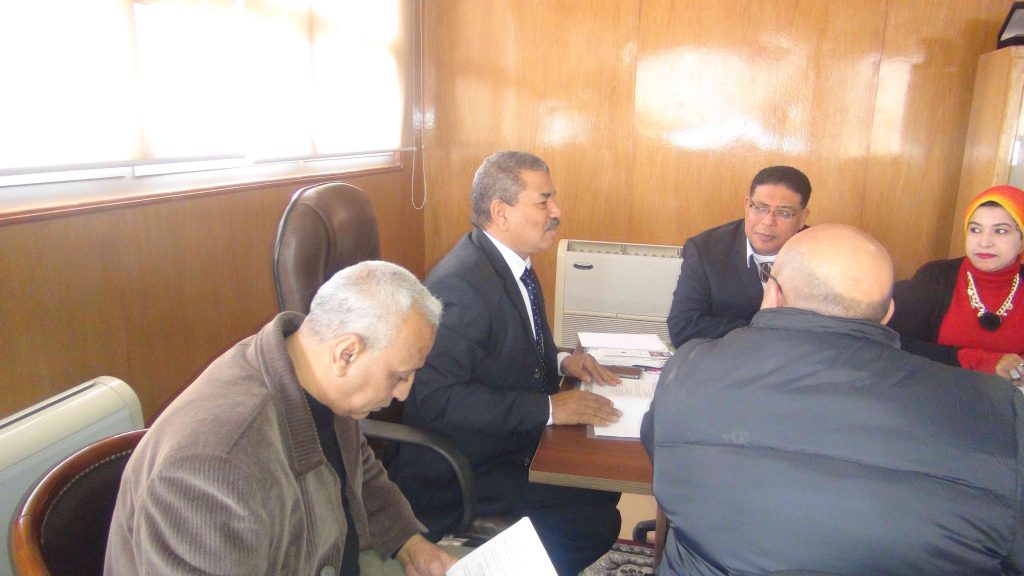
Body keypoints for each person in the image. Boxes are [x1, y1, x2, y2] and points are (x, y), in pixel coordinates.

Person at [642, 224, 1024, 575]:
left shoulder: (688, 369)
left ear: (772, 294)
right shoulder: (1000, 410)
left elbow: (665, 459)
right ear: (888, 313)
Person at [105, 261, 457, 576]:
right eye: (399, 376)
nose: (404, 393)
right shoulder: (213, 467)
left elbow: (357, 469)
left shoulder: (311, 369)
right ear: (347, 354)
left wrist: (410, 543)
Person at [390, 151, 623, 576]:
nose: (557, 211)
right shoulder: (461, 286)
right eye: (543, 201)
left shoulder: (509, 263)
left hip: (501, 442)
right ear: (501, 212)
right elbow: (437, 399)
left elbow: (512, 346)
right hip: (465, 467)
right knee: (593, 522)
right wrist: (549, 408)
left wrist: (562, 361)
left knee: (602, 485)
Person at [889, 185, 1024, 381]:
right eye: (975, 229)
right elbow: (898, 343)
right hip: (936, 387)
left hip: (1011, 395)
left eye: (1000, 231)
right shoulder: (936, 277)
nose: (984, 242)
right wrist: (981, 361)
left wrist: (1016, 369)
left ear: (1021, 240)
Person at [667, 165, 811, 347]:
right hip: (729, 358)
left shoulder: (823, 252)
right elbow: (683, 327)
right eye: (760, 208)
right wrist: (762, 329)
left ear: (803, 217)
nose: (768, 221)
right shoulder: (706, 249)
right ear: (746, 205)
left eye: (784, 213)